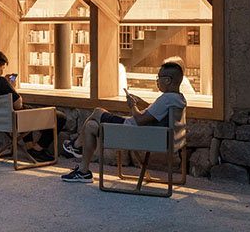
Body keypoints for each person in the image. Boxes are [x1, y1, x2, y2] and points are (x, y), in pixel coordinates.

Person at [60, 60, 188, 183]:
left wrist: (132, 106)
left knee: (98, 111)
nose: (157, 81)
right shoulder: (178, 98)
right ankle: (83, 170)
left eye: (158, 77)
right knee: (91, 126)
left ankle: (77, 147)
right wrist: (141, 102)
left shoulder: (166, 98)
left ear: (167, 80)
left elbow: (140, 120)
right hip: (150, 134)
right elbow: (155, 114)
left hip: (134, 133)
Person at [0, 51, 65, 158]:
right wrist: (12, 87)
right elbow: (18, 105)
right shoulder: (2, 82)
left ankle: (29, 147)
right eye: (2, 68)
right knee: (59, 117)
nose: (2, 72)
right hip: (12, 121)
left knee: (24, 113)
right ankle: (38, 149)